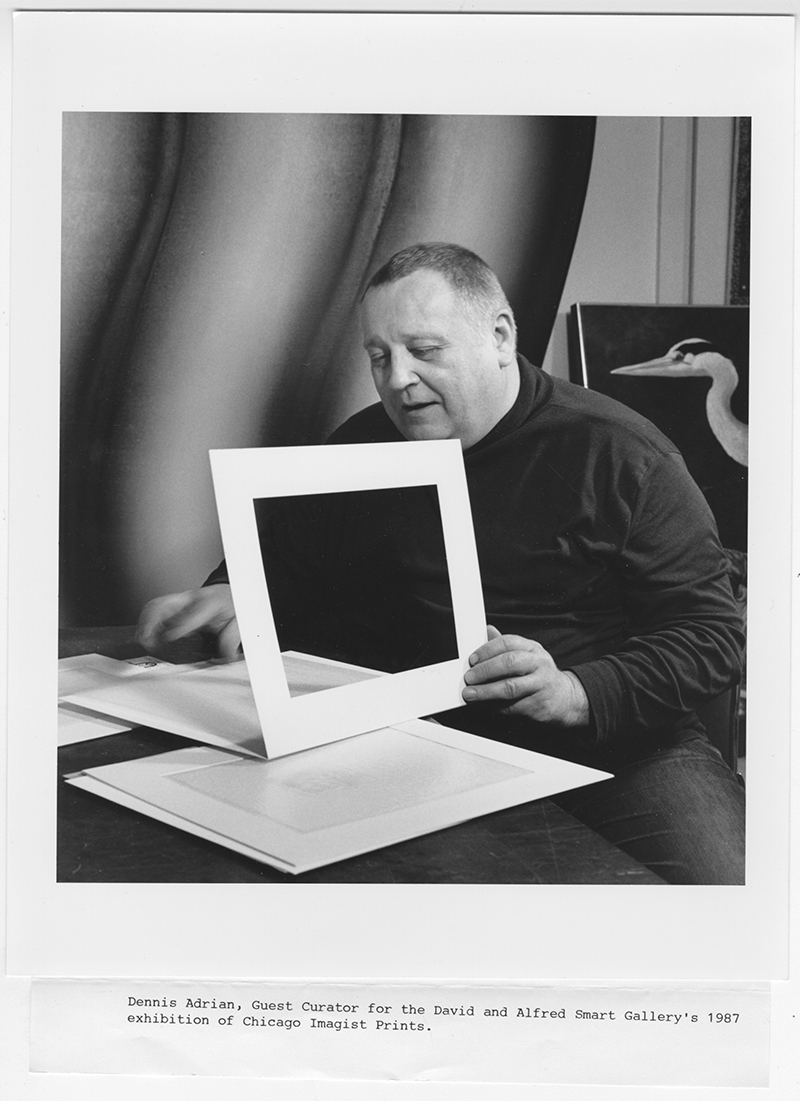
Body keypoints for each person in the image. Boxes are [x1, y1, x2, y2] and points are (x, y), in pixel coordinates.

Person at [137, 242, 746, 884]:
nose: (397, 378)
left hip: (618, 749)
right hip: (414, 740)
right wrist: (238, 591)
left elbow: (711, 634)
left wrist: (575, 692)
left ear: (501, 336)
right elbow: (280, 563)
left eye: (424, 351)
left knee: (733, 899)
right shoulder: (361, 444)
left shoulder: (623, 455)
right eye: (379, 356)